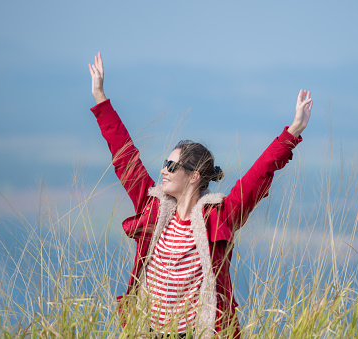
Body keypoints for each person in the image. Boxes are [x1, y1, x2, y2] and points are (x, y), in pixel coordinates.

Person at [88, 52, 312, 339]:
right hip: (147, 331)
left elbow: (256, 178)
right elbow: (125, 157)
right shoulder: (151, 205)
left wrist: (292, 133)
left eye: (172, 166)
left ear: (194, 176)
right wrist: (100, 98)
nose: (164, 171)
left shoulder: (217, 217)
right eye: (164, 164)